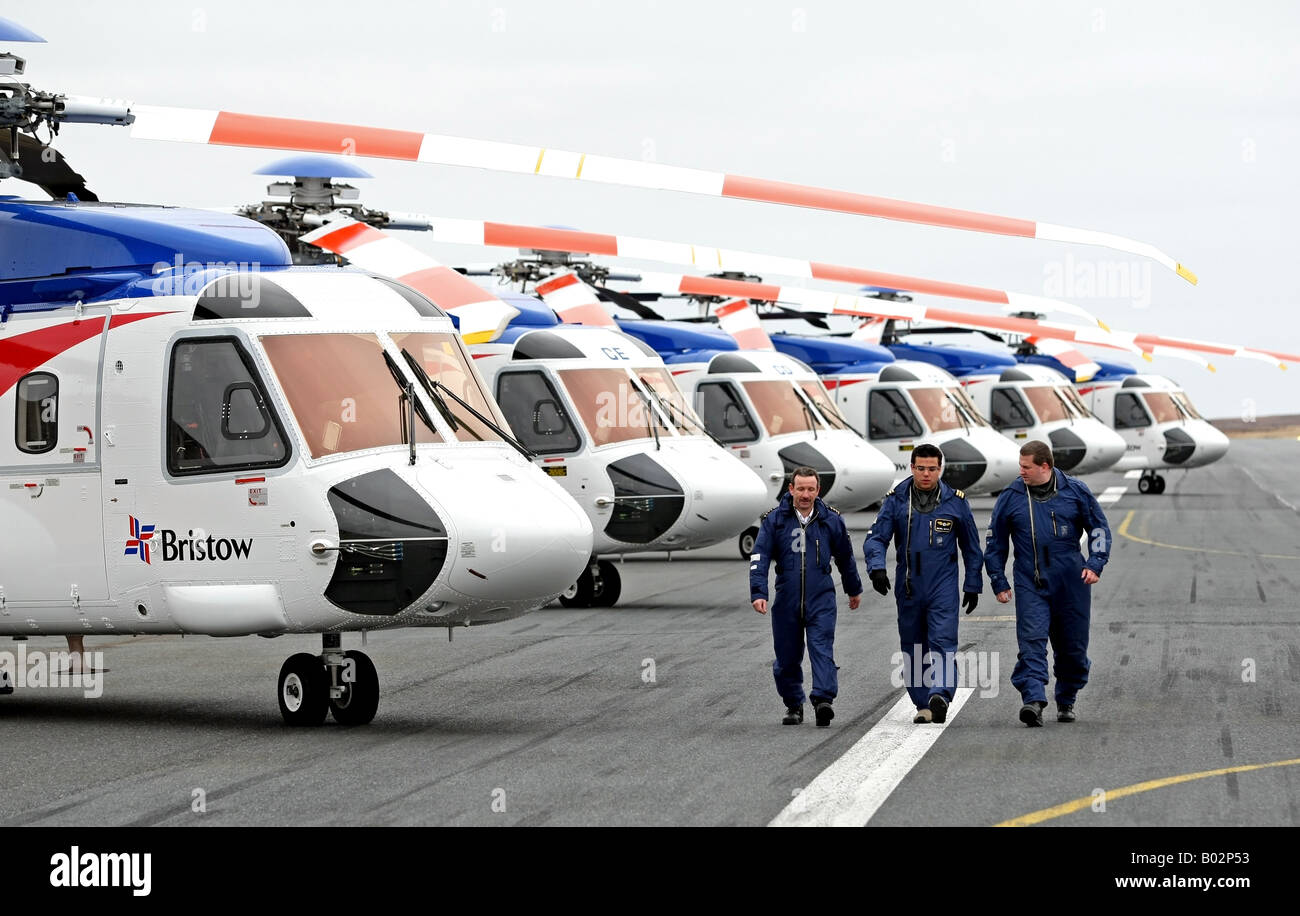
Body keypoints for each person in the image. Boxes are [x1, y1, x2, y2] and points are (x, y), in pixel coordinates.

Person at [985, 440, 1111, 727]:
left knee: (1073, 650)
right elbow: (995, 543)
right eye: (1020, 466)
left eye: (1026, 467)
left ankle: (1066, 697)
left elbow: (1099, 529)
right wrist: (998, 579)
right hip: (1031, 581)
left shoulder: (1075, 491)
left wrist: (1096, 563)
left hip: (1072, 582)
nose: (1021, 472)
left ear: (1045, 466)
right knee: (1031, 642)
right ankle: (1033, 700)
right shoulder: (1011, 496)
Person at [863, 443, 983, 724]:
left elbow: (972, 548)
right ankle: (923, 704)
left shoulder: (956, 501)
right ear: (912, 467)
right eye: (921, 468)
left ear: (940, 469)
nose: (926, 474)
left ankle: (939, 693)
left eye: (932, 469)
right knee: (913, 647)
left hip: (943, 586)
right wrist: (877, 568)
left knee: (942, 641)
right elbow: (876, 538)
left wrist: (973, 583)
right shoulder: (896, 501)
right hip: (909, 588)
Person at [750, 467, 862, 726]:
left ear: (817, 491)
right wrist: (758, 592)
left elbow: (845, 557)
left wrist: (853, 588)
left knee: (821, 649)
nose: (805, 494)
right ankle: (793, 704)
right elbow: (760, 557)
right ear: (791, 489)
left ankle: (823, 700)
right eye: (800, 488)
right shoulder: (774, 520)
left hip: (821, 598)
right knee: (786, 658)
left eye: (811, 489)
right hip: (786, 600)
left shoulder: (831, 520)